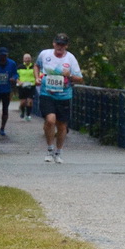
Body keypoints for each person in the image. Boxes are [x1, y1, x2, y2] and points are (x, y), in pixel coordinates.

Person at [35, 35, 83, 163]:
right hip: (47, 93)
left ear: (66, 46)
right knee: (50, 120)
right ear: (53, 44)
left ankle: (59, 152)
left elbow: (80, 78)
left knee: (62, 126)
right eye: (58, 44)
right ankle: (50, 149)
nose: (60, 47)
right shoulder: (45, 54)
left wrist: (70, 75)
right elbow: (36, 66)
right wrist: (36, 78)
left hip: (64, 95)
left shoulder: (70, 58)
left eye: (63, 45)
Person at [15, 53, 35, 121]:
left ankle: (28, 115)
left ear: (31, 59)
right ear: (23, 59)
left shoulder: (34, 67)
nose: (27, 60)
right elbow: (15, 76)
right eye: (26, 58)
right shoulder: (20, 67)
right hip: (22, 86)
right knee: (23, 102)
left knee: (30, 101)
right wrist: (18, 81)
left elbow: (39, 74)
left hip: (31, 86)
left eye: (28, 58)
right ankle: (23, 112)